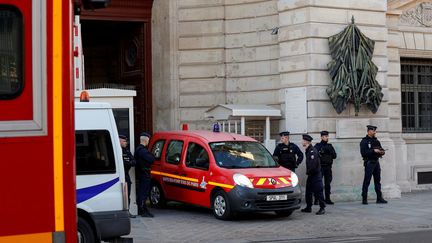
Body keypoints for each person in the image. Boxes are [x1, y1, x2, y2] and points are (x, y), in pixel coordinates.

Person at [360, 125, 387, 205]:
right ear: (369, 131)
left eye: (375, 131)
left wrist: (382, 152)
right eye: (373, 131)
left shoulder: (376, 141)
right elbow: (363, 153)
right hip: (369, 163)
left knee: (378, 181)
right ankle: (364, 198)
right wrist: (373, 151)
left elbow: (381, 149)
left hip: (376, 162)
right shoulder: (364, 141)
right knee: (367, 181)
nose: (375, 132)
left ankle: (379, 198)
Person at [300, 134, 326, 215]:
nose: (302, 142)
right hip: (311, 175)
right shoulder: (308, 150)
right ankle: (308, 207)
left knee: (318, 191)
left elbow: (313, 165)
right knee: (308, 191)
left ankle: (322, 207)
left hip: (315, 174)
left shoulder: (312, 151)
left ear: (306, 142)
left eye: (303, 140)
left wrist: (309, 172)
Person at [135, 132, 155, 217]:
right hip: (144, 174)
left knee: (142, 192)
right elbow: (151, 159)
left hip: (142, 173)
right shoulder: (142, 150)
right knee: (143, 193)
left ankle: (142, 208)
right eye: (148, 140)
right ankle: (142, 209)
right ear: (146, 140)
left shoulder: (138, 149)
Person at [314, 131, 337, 205]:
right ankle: (317, 199)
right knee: (318, 184)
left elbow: (334, 156)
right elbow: (314, 155)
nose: (327, 138)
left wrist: (328, 151)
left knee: (328, 184)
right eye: (325, 136)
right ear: (321, 137)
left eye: (327, 136)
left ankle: (327, 199)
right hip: (320, 167)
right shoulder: (317, 146)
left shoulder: (330, 146)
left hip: (328, 167)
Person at [119, 135, 137, 218]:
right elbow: (120, 164)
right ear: (120, 141)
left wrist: (127, 163)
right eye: (124, 141)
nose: (126, 143)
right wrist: (127, 163)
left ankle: (127, 212)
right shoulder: (117, 150)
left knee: (127, 195)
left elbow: (134, 161)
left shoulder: (126, 151)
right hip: (119, 176)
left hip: (126, 175)